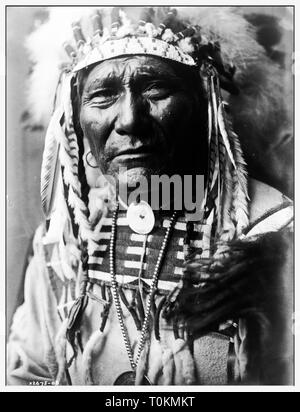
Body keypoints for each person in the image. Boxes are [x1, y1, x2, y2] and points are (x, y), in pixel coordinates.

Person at [7, 7, 293, 386]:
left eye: (156, 88)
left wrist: (276, 286)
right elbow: (30, 374)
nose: (129, 120)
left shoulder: (273, 228)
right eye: (104, 95)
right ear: (80, 129)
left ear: (206, 112)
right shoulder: (66, 242)